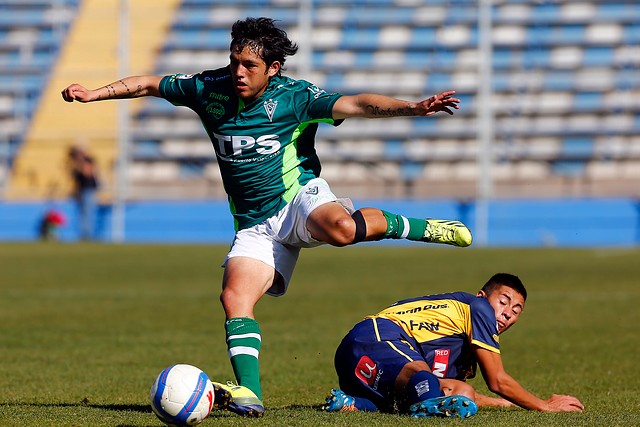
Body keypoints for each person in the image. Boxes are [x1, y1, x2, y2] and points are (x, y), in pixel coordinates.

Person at [60, 17, 473, 417]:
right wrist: (94, 93)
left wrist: (413, 109)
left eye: (249, 65)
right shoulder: (209, 87)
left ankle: (427, 228)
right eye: (234, 60)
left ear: (273, 68)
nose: (237, 71)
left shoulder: (295, 96)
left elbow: (357, 103)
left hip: (298, 199)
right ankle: (250, 393)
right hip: (255, 224)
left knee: (343, 229)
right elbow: (150, 83)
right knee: (233, 298)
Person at [323, 273, 585, 418]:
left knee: (463, 392)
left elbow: (454, 390)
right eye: (503, 301)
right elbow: (497, 380)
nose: (508, 313)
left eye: (516, 310)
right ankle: (425, 410)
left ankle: (353, 404)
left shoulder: (462, 349)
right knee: (424, 378)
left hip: (363, 373)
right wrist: (544, 405)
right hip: (375, 337)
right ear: (483, 296)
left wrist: (510, 405)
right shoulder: (478, 308)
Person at [68, 145, 99, 240]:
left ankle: (88, 234)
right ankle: (84, 234)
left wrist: (80, 165)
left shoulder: (87, 161)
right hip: (82, 191)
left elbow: (88, 172)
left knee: (88, 213)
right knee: (83, 214)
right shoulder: (77, 164)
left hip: (89, 190)